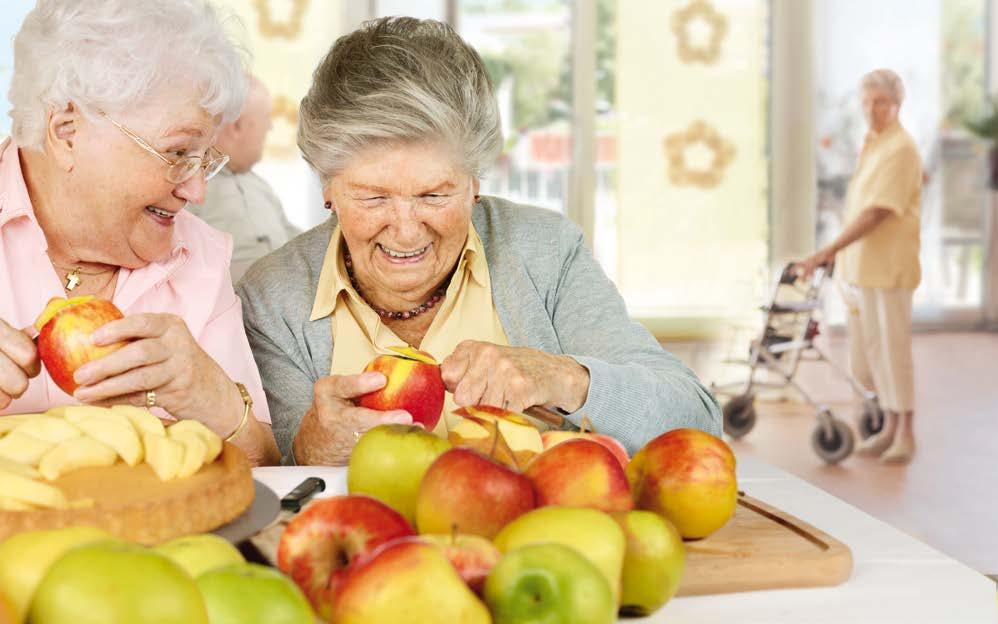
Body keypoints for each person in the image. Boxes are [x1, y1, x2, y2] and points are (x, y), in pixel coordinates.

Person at [237, 16, 721, 465]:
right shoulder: (273, 296)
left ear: (475, 182)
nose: (405, 229)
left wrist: (562, 377)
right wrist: (309, 447)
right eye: (372, 197)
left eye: (434, 194)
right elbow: (274, 478)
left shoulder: (545, 252)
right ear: (328, 188)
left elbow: (697, 421)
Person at [0, 0, 280, 466]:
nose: (197, 191)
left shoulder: (201, 260)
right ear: (67, 131)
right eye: (178, 153)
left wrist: (216, 400)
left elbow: (265, 472)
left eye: (206, 159)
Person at [796, 68, 921, 464]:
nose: (872, 110)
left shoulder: (901, 148)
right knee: (870, 353)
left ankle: (906, 434)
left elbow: (878, 212)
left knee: (892, 350)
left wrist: (826, 250)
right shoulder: (874, 143)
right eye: (867, 102)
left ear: (897, 104)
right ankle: (886, 426)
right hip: (863, 268)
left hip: (889, 268)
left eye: (881, 102)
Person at [187, 75, 300, 283]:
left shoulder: (260, 185)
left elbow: (299, 241)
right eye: (266, 121)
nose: (271, 128)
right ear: (237, 126)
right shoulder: (189, 188)